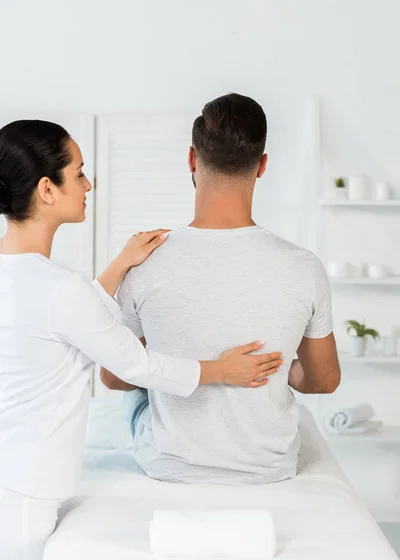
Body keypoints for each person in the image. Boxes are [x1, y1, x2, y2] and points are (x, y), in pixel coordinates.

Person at [0, 119, 282, 560]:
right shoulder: (59, 289)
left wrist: (119, 265)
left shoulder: (27, 279)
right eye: (78, 173)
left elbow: (65, 319)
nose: (88, 183)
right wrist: (221, 369)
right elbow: (137, 366)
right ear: (47, 190)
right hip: (23, 490)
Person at [101, 93, 341, 485]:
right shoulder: (304, 267)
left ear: (193, 159)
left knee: (138, 387)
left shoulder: (144, 260)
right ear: (262, 166)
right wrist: (279, 374)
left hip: (168, 464)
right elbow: (325, 380)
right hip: (267, 468)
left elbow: (114, 376)